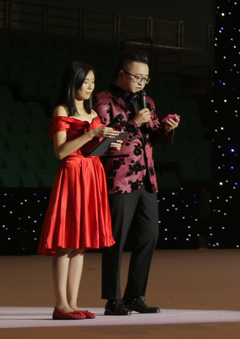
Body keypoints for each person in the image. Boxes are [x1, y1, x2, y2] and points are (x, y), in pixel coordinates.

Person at [95, 51, 180, 316]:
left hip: (147, 178)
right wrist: (133, 122)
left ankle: (135, 295)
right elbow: (103, 142)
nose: (142, 82)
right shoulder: (103, 100)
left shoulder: (148, 102)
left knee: (149, 236)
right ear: (121, 74)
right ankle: (113, 300)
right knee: (115, 239)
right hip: (119, 177)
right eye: (137, 77)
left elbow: (152, 138)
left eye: (146, 78)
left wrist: (166, 130)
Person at [39, 61, 121, 320]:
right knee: (66, 243)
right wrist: (91, 134)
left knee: (80, 246)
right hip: (73, 174)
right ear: (72, 82)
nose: (90, 87)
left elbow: (91, 149)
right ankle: (61, 305)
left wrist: (109, 145)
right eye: (85, 82)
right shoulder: (62, 110)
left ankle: (72, 304)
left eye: (93, 82)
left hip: (92, 173)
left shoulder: (92, 112)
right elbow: (61, 151)